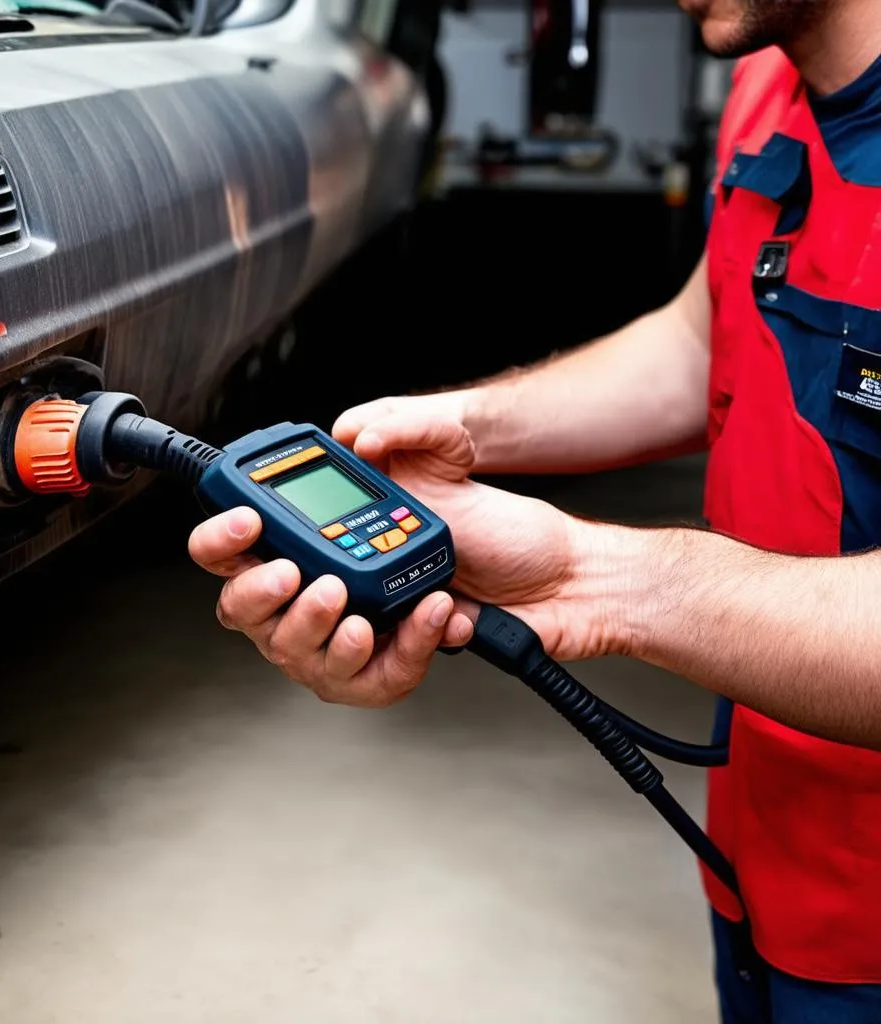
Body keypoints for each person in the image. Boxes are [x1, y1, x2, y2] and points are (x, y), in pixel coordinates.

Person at [189, 0, 881, 1019]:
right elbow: (706, 336)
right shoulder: (768, 81)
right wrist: (470, 424)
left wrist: (590, 578)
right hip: (762, 844)